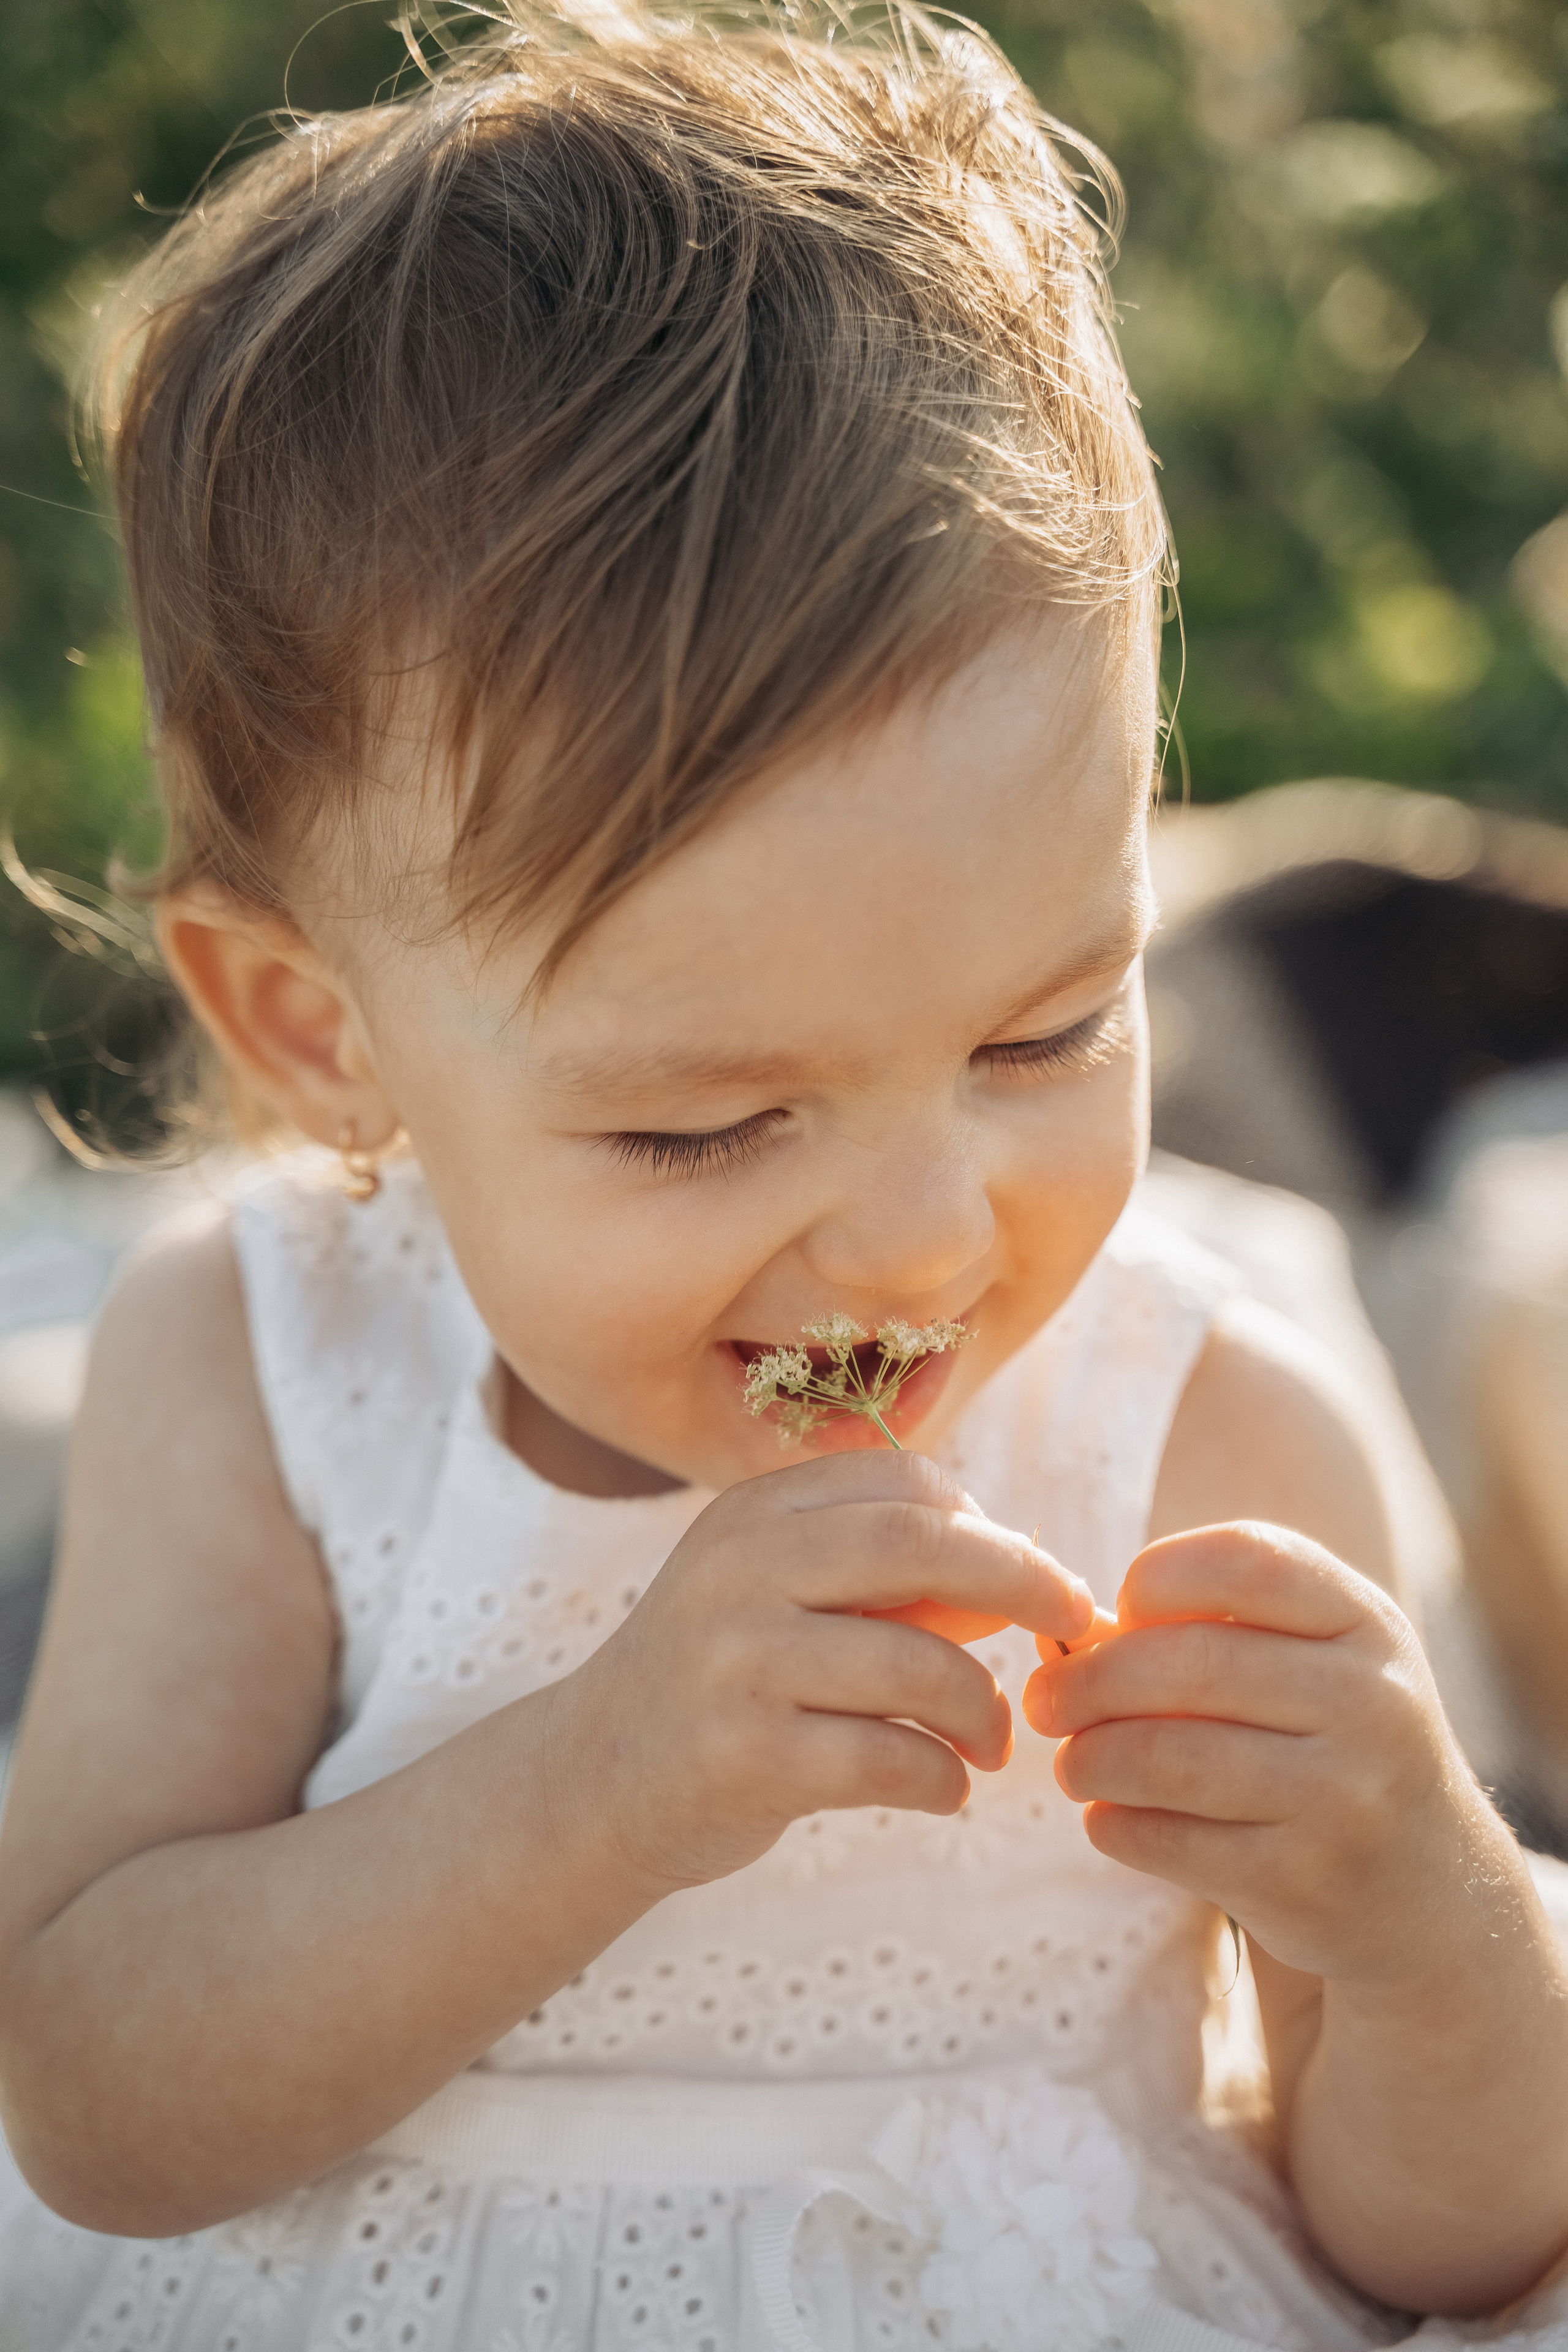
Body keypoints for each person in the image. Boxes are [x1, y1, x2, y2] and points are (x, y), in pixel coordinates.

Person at [1, 6, 1564, 2345]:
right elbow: (92, 2097)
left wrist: (1433, 1923)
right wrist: (601, 1784)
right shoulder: (264, 1375)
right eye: (703, 1124)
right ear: (324, 1033)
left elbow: (1417, 2246)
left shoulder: (1204, 1434)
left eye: (1047, 1031)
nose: (930, 1236)